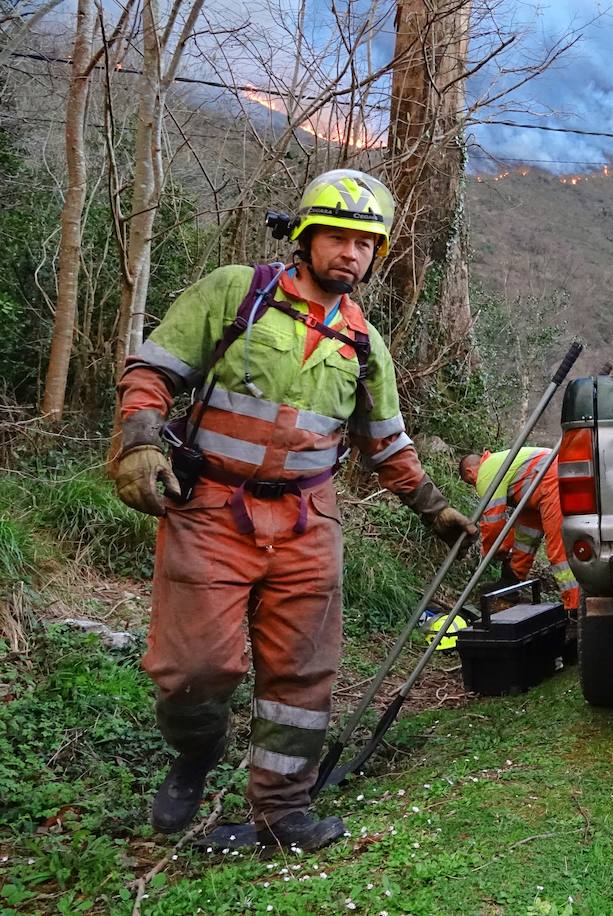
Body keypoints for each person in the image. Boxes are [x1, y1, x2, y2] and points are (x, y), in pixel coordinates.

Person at [111, 169, 478, 852]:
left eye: (366, 244)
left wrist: (434, 509)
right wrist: (137, 442)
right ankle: (195, 753)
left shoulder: (365, 344)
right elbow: (153, 371)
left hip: (308, 523)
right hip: (211, 512)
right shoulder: (235, 294)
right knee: (196, 670)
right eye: (338, 237)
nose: (351, 253)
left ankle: (282, 814)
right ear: (304, 237)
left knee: (302, 675)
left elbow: (387, 443)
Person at [459, 448, 581, 615]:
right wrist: (503, 546)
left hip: (550, 481)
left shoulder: (485, 473)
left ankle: (575, 608)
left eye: (469, 481)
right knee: (524, 538)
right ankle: (511, 582)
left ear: (470, 471)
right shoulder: (498, 462)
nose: (474, 485)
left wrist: (491, 550)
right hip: (536, 488)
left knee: (557, 552)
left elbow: (493, 522)